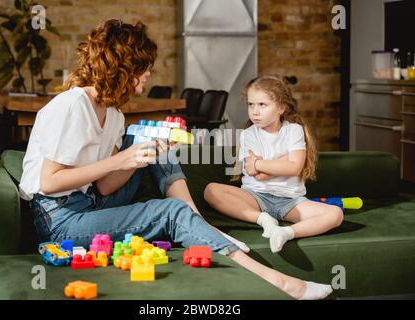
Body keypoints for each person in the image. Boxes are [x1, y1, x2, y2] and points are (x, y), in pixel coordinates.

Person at [19, 19, 332, 300]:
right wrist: (122, 160)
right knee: (170, 212)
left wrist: (141, 155)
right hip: (59, 219)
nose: (149, 76)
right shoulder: (73, 105)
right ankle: (282, 284)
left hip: (91, 202)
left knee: (150, 140)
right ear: (125, 69)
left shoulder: (114, 114)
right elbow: (49, 182)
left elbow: (103, 188)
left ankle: (198, 221)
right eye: (145, 69)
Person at [204, 75, 344, 254]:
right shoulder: (248, 135)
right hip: (255, 197)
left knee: (335, 214)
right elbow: (255, 173)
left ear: (281, 107)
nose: (255, 111)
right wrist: (284, 161)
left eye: (262, 105)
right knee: (211, 190)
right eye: (251, 104)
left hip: (291, 201)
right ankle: (263, 219)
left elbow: (294, 168)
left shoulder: (294, 131)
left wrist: (260, 163)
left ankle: (286, 232)